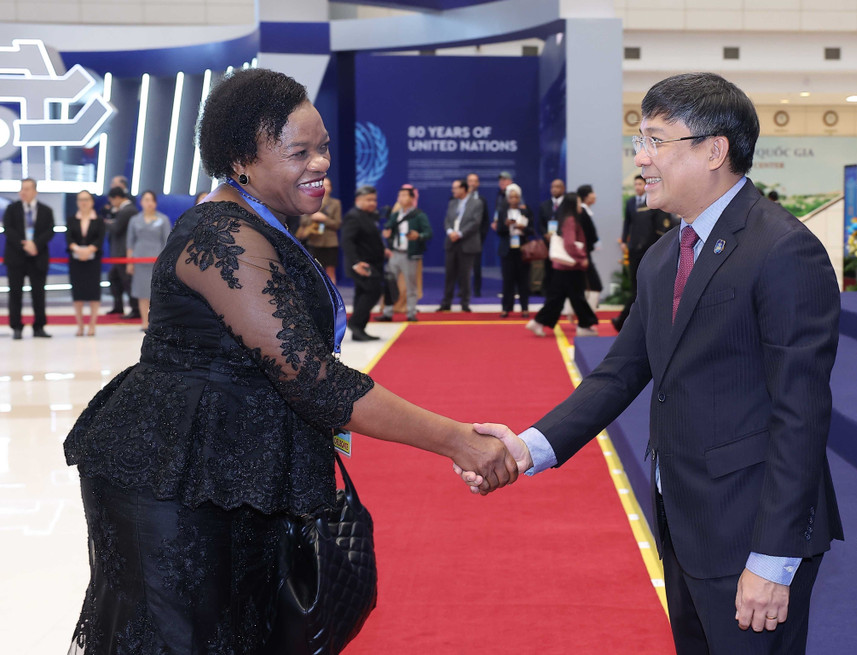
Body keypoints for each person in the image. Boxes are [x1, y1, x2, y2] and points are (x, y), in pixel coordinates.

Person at [62, 68, 518, 655]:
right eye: (299, 152)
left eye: (323, 147)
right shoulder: (223, 236)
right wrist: (458, 439)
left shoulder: (260, 224)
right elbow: (313, 379)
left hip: (226, 475)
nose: (321, 163)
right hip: (177, 482)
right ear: (240, 160)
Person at [461, 72, 842, 655]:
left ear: (715, 150)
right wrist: (524, 449)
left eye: (654, 141)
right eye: (638, 142)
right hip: (683, 520)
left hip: (751, 530)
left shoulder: (783, 249)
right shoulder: (665, 255)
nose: (640, 158)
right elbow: (620, 372)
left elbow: (802, 413)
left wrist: (773, 558)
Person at [525, 192, 598, 337]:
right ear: (572, 204)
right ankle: (584, 325)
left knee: (558, 298)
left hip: (565, 267)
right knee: (576, 298)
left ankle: (538, 322)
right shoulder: (571, 220)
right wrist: (581, 257)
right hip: (570, 267)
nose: (580, 206)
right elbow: (569, 244)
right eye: (578, 203)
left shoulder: (567, 218)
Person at [611, 174, 673, 332]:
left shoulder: (654, 202)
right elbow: (627, 223)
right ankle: (631, 322)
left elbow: (661, 229)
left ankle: (623, 321)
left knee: (641, 288)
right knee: (636, 287)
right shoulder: (631, 202)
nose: (637, 187)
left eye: (640, 184)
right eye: (635, 184)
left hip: (649, 251)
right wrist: (625, 241)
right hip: (634, 251)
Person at [3, 177, 54, 339]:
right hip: (16, 257)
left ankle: (39, 326)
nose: (23, 192)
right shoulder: (12, 209)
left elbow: (49, 231)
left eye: (26, 189)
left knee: (39, 294)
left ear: (34, 191)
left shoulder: (46, 210)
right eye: (21, 188)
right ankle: (16, 326)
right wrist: (23, 244)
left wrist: (35, 245)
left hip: (37, 257)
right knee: (15, 293)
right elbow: (8, 229)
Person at [341, 185, 386, 341]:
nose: (372, 203)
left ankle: (358, 331)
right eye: (368, 200)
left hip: (371, 262)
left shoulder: (369, 216)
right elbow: (347, 242)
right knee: (373, 291)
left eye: (374, 199)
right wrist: (356, 263)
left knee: (362, 294)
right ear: (358, 200)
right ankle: (355, 323)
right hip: (362, 264)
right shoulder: (354, 216)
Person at [380, 185, 431, 322]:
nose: (400, 198)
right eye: (399, 196)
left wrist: (418, 236)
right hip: (395, 253)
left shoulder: (419, 215)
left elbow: (428, 233)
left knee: (411, 285)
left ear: (412, 198)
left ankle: (411, 312)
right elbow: (388, 227)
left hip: (410, 255)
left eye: (404, 195)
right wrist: (387, 232)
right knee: (390, 283)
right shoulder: (396, 214)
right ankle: (388, 312)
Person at [126, 190, 171, 331]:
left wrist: (167, 262)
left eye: (151, 200)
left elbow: (167, 241)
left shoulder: (162, 219)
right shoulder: (135, 220)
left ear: (155, 203)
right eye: (145, 199)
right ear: (141, 202)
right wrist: (129, 261)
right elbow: (130, 242)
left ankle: (156, 322)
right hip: (139, 260)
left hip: (157, 260)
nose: (148, 203)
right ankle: (144, 322)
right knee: (142, 292)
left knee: (156, 293)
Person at [438, 178, 483, 312]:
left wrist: (461, 233)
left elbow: (475, 222)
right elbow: (447, 220)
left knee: (465, 275)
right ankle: (446, 302)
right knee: (449, 274)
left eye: (455, 188)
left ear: (463, 189)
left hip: (467, 242)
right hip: (451, 242)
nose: (453, 191)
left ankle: (465, 303)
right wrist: (451, 232)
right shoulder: (452, 203)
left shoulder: (477, 203)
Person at [67, 190, 106, 336]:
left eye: (86, 199)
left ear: (92, 202)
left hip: (93, 260)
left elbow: (100, 238)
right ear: (77, 202)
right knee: (78, 293)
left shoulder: (99, 220)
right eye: (80, 199)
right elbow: (69, 237)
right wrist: (78, 249)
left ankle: (92, 325)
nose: (83, 202)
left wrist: (89, 250)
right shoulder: (72, 219)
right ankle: (80, 325)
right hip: (76, 260)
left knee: (93, 292)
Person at [495, 182, 534, 318]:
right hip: (507, 249)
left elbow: (532, 230)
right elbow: (498, 230)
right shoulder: (502, 211)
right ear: (507, 198)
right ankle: (506, 308)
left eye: (516, 197)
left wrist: (523, 228)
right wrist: (506, 226)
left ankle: (524, 308)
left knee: (523, 280)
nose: (514, 200)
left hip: (522, 249)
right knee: (508, 280)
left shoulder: (525, 210)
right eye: (511, 197)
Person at [296, 177, 342, 282]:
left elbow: (337, 224)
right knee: (314, 270)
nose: (325, 187)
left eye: (328, 185)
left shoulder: (335, 203)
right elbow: (303, 221)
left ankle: (332, 296)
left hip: (330, 242)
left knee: (330, 271)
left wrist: (325, 219)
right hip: (314, 240)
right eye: (322, 184)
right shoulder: (309, 201)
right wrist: (313, 218)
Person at [104, 186, 139, 318]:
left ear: (117, 198)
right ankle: (118, 306)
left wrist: (105, 223)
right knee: (115, 278)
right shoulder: (124, 210)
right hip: (119, 252)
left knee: (127, 281)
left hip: (124, 252)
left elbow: (117, 228)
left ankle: (135, 308)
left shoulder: (128, 210)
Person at [576, 184, 603, 310]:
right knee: (594, 284)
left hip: (584, 253)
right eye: (593, 193)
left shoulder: (584, 211)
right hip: (583, 254)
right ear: (586, 196)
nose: (595, 195)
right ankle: (588, 313)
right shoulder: (582, 213)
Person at [467, 172, 489, 296]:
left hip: (477, 238)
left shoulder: (482, 200)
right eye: (470, 181)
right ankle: (463, 290)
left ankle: (477, 290)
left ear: (478, 183)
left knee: (476, 265)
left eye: (475, 181)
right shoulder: (461, 199)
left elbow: (485, 220)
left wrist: (482, 236)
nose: (472, 183)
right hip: (462, 237)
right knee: (462, 266)